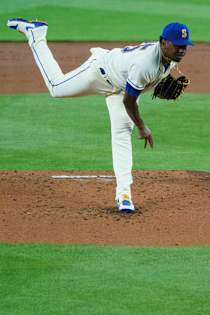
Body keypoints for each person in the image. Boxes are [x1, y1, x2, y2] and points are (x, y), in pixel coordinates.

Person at [6, 18, 193, 213]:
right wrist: (142, 127)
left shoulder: (169, 59)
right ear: (163, 42)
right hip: (99, 73)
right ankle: (37, 35)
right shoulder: (145, 64)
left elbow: (139, 86)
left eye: (185, 46)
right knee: (56, 88)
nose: (182, 50)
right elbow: (129, 101)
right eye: (178, 46)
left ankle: (124, 195)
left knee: (122, 130)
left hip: (120, 86)